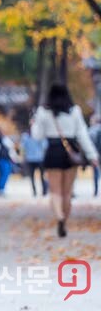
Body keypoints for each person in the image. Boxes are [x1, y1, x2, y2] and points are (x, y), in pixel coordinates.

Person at [31, 84, 100, 237]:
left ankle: (59, 218)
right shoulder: (74, 111)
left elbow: (37, 136)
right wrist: (92, 156)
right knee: (67, 192)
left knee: (55, 191)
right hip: (71, 153)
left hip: (53, 151)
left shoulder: (43, 111)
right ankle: (65, 221)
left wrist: (34, 124)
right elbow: (83, 135)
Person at [21, 125, 48, 197]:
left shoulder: (28, 137)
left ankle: (42, 190)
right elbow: (44, 146)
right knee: (35, 176)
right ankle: (37, 191)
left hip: (37, 159)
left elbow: (23, 148)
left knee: (38, 176)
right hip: (35, 159)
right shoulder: (26, 137)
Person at [0, 126, 18, 197]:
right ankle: (1, 189)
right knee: (4, 174)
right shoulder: (5, 140)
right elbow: (11, 150)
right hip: (5, 159)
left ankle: (0, 189)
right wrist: (14, 158)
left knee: (1, 175)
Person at [89, 114, 101, 196]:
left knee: (95, 173)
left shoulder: (91, 130)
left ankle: (96, 191)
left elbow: (89, 143)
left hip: (95, 154)